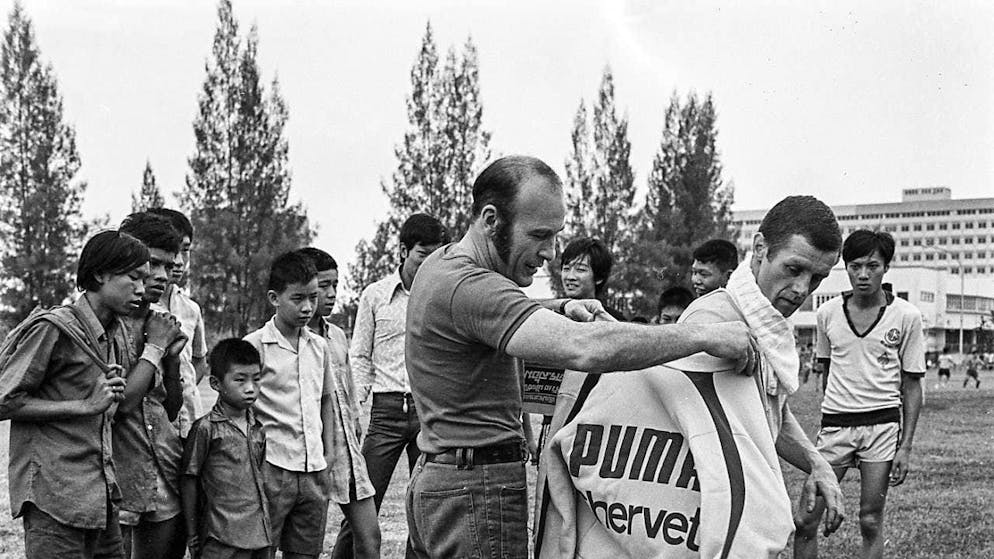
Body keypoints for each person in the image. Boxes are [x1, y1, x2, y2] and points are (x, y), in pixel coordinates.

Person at [404, 155, 754, 559]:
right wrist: (706, 337)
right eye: (539, 235)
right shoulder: (473, 286)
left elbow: (488, 314)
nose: (550, 252)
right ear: (490, 219)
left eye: (556, 235)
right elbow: (585, 348)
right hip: (475, 488)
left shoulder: (442, 263)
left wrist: (559, 307)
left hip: (442, 476)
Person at [537, 195, 845, 558]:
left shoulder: (765, 324)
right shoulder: (716, 322)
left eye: (817, 278)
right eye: (794, 269)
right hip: (687, 511)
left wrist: (817, 462)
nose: (802, 289)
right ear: (760, 248)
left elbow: (768, 410)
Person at [0, 230, 144, 559]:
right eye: (133, 277)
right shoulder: (54, 328)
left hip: (102, 498)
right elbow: (3, 399)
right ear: (99, 274)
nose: (140, 288)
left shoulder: (117, 331)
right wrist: (83, 405)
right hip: (55, 500)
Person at [795, 229, 925, 559]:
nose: (863, 275)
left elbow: (912, 385)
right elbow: (824, 371)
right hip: (837, 426)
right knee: (806, 519)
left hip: (881, 427)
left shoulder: (906, 316)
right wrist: (831, 414)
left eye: (872, 266)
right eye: (855, 266)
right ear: (846, 267)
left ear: (886, 267)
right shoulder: (827, 314)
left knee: (869, 520)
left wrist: (905, 446)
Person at [244, 251, 379, 559]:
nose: (307, 307)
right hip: (273, 466)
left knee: (306, 551)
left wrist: (329, 454)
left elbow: (328, 399)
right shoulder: (255, 345)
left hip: (314, 468)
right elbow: (244, 407)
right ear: (274, 298)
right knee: (262, 547)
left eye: (312, 298)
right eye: (298, 299)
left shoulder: (320, 346)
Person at [296, 247, 381, 559]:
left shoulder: (338, 336)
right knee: (306, 546)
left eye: (336, 285)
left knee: (370, 540)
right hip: (307, 455)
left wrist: (356, 427)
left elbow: (347, 391)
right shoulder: (292, 339)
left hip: (345, 451)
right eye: (324, 286)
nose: (332, 294)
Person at [115, 213, 189, 559]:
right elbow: (122, 405)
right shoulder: (103, 323)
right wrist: (155, 348)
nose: (161, 276)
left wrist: (171, 361)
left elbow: (171, 407)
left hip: (163, 467)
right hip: (119, 474)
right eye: (152, 264)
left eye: (168, 266)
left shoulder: (160, 321)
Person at [181, 339, 271, 559]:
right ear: (216, 384)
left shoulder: (258, 428)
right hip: (220, 536)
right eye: (240, 380)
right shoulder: (206, 428)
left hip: (259, 533)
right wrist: (192, 531)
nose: (250, 388)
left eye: (256, 379)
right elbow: (189, 479)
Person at [147, 207, 210, 438]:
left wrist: (184, 387)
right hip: (154, 428)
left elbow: (199, 361)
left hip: (191, 423)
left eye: (186, 251)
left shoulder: (191, 309)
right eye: (174, 252)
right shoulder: (139, 307)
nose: (179, 262)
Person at [560, 236, 626, 320]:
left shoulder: (613, 320)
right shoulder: (551, 316)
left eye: (580, 269)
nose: (570, 276)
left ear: (599, 277)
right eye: (566, 269)